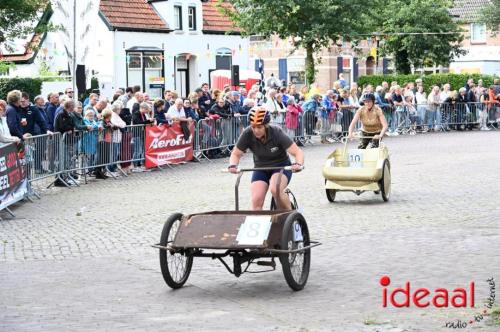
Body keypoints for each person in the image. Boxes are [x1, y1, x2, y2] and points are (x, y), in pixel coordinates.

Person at [227, 107, 304, 210]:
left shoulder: (276, 132)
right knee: (256, 201)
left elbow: (297, 152)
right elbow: (236, 154)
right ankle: (259, 224)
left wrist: (298, 164)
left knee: (275, 189)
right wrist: (233, 165)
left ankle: (290, 215)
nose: (256, 130)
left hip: (280, 167)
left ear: (266, 125)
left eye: (259, 127)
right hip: (260, 168)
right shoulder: (247, 133)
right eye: (253, 127)